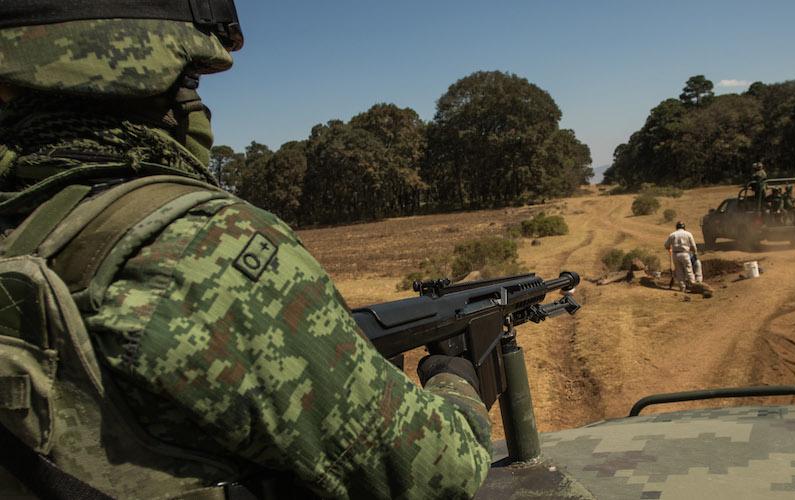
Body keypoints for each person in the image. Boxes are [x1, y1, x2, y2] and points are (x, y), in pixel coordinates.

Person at [0, 3, 490, 499]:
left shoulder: (22, 223)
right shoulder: (201, 247)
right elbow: (438, 474)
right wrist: (454, 381)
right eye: (191, 82)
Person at [664, 221, 698, 292]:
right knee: (689, 270)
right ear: (684, 227)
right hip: (685, 254)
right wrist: (695, 253)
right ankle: (694, 286)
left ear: (676, 227)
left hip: (675, 255)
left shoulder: (672, 234)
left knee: (679, 272)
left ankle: (682, 288)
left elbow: (666, 245)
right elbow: (693, 246)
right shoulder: (688, 234)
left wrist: (669, 248)